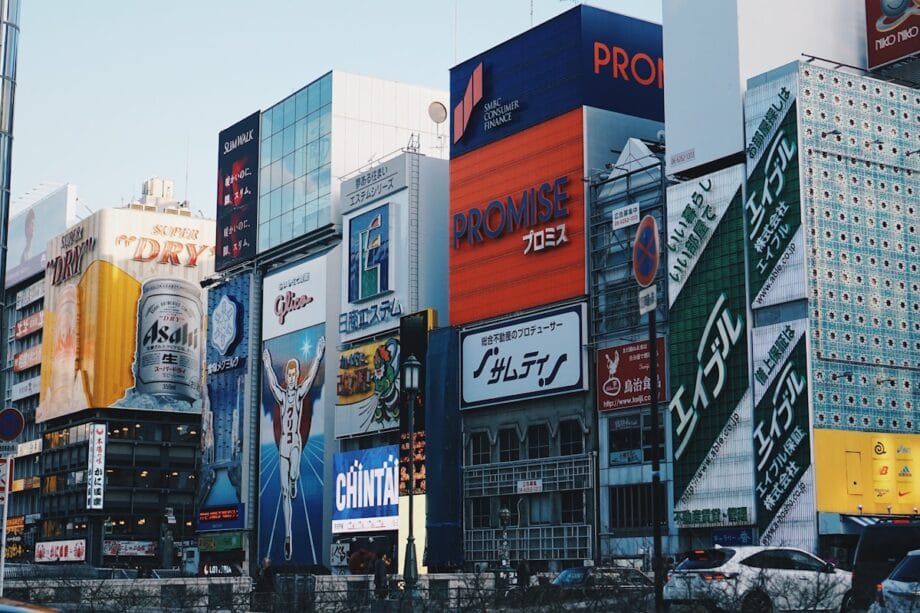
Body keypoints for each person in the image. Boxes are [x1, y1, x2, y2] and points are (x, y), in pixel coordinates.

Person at [263, 336, 326, 560]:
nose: (290, 378)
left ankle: (293, 480)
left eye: (293, 374)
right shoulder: (281, 395)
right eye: (288, 374)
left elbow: (310, 379)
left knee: (294, 474)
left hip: (296, 443)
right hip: (283, 446)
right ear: (285, 377)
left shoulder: (299, 394)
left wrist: (318, 356)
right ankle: (288, 535)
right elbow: (271, 384)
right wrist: (268, 365)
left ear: (296, 375)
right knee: (283, 494)